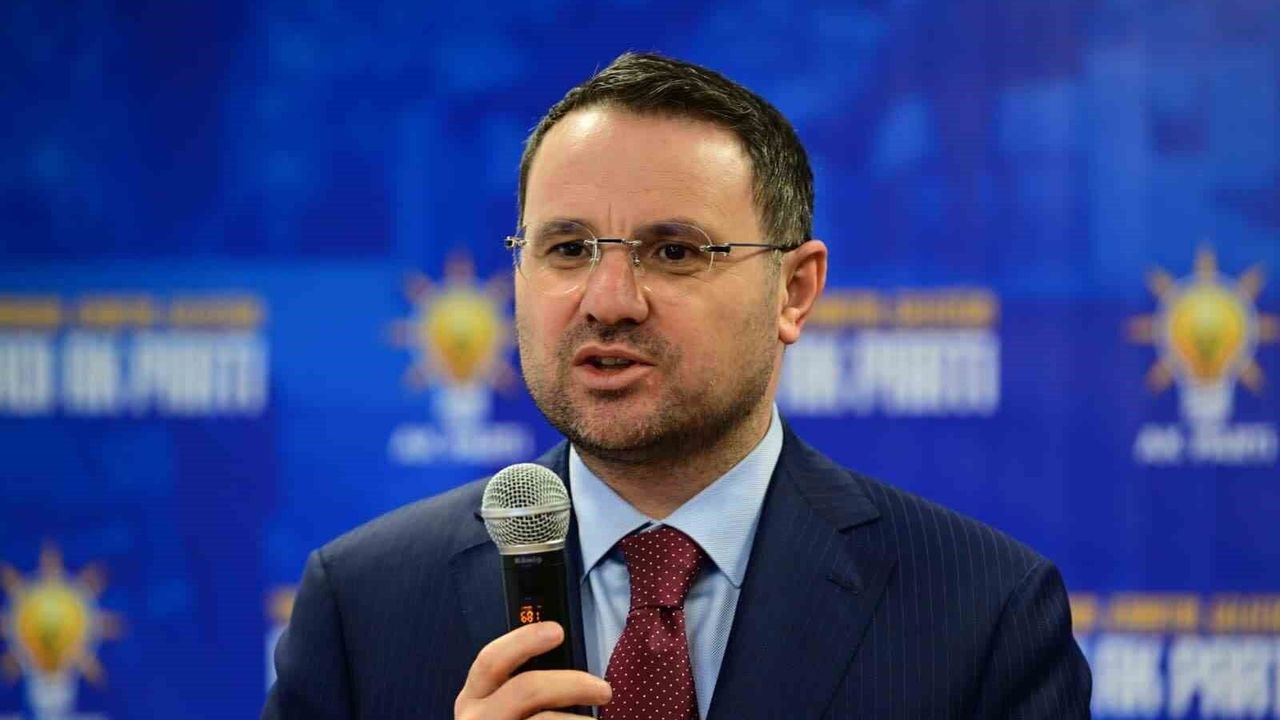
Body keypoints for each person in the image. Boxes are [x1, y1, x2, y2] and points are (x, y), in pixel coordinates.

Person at [263, 52, 1091, 719]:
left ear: (795, 290)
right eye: (567, 249)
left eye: (674, 252)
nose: (608, 301)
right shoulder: (363, 605)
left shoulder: (981, 612)